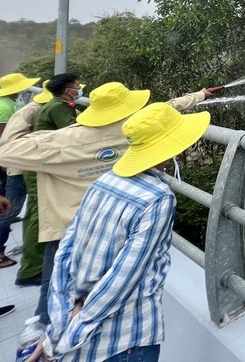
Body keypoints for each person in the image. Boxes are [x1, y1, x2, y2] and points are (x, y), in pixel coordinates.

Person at [0, 81, 216, 327]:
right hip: (115, 223)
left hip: (67, 229)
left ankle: (50, 335)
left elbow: (6, 149)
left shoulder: (60, 141)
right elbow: (166, 108)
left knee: (55, 297)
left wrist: (30, 108)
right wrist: (200, 95)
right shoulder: (133, 130)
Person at [28, 102, 211, 362]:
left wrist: (57, 328)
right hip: (126, 340)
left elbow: (66, 250)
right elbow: (124, 276)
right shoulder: (158, 198)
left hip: (80, 327)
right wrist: (67, 338)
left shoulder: (104, 180)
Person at [18, 74, 86, 288]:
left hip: (44, 165)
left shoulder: (58, 104)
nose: (79, 88)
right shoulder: (58, 108)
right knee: (39, 217)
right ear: (68, 90)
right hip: (43, 169)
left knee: (38, 215)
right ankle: (31, 269)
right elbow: (76, 134)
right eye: (76, 85)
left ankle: (33, 266)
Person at [0, 81, 51, 269]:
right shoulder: (37, 110)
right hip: (20, 165)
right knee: (10, 208)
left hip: (17, 162)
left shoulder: (30, 107)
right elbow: (5, 138)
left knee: (13, 206)